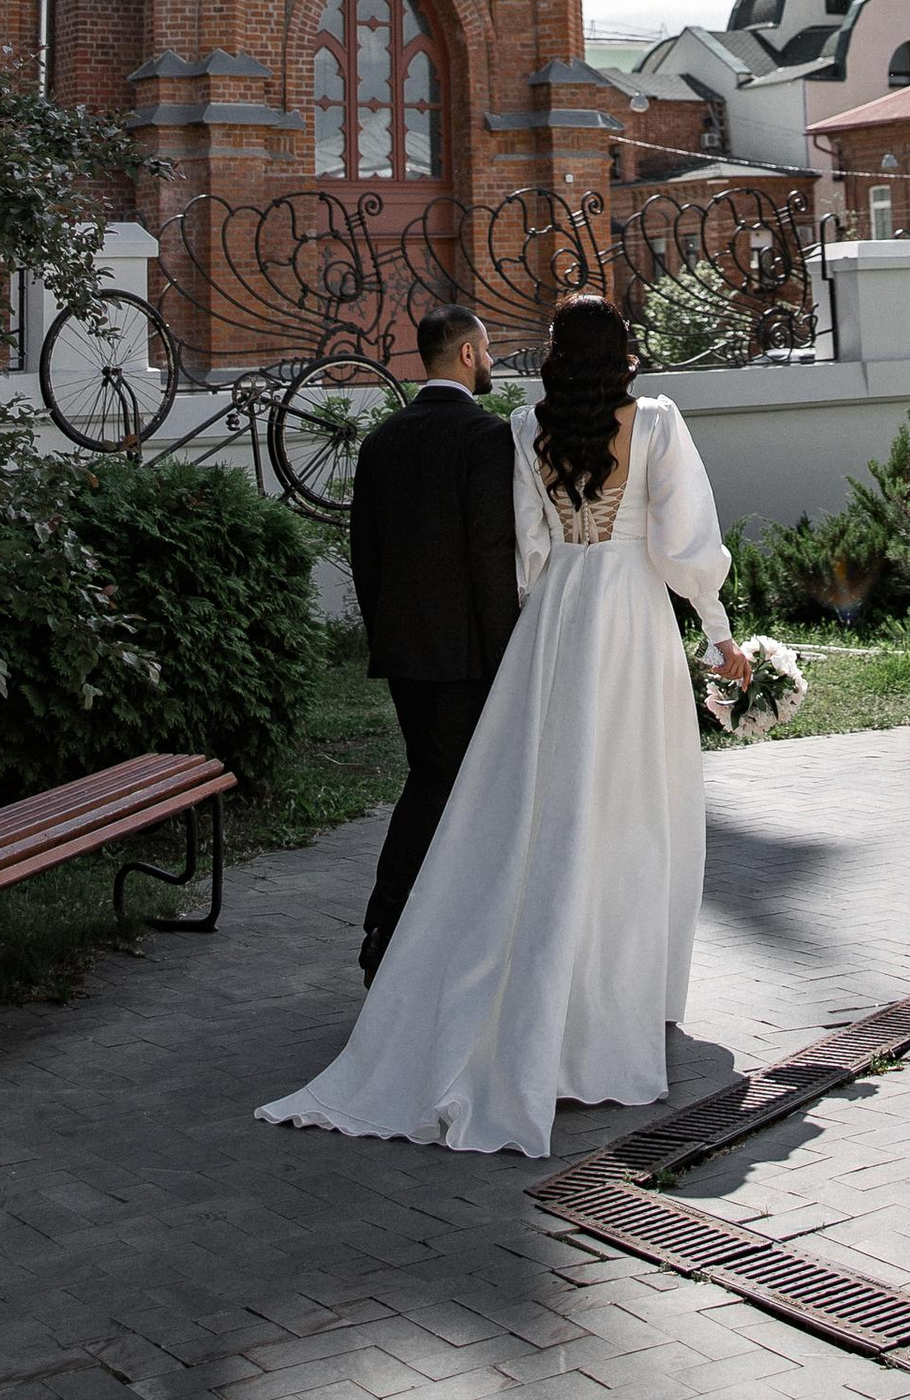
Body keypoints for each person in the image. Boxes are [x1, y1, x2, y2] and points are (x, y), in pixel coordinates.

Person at [260, 296, 752, 1158]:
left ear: (559, 354)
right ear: (625, 352)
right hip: (632, 622)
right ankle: (615, 1004)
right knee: (634, 807)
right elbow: (683, 545)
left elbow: (525, 549)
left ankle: (534, 999)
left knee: (546, 809)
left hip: (557, 621)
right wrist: (718, 633)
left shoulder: (525, 426)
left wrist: (539, 616)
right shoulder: (661, 423)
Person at [347, 301, 518, 986]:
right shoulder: (486, 437)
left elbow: (365, 553)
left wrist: (385, 630)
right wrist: (509, 652)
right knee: (440, 785)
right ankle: (386, 924)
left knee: (434, 777)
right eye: (490, 348)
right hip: (468, 655)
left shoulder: (381, 439)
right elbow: (489, 553)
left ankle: (429, 929)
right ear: (468, 354)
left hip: (405, 651)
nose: (494, 359)